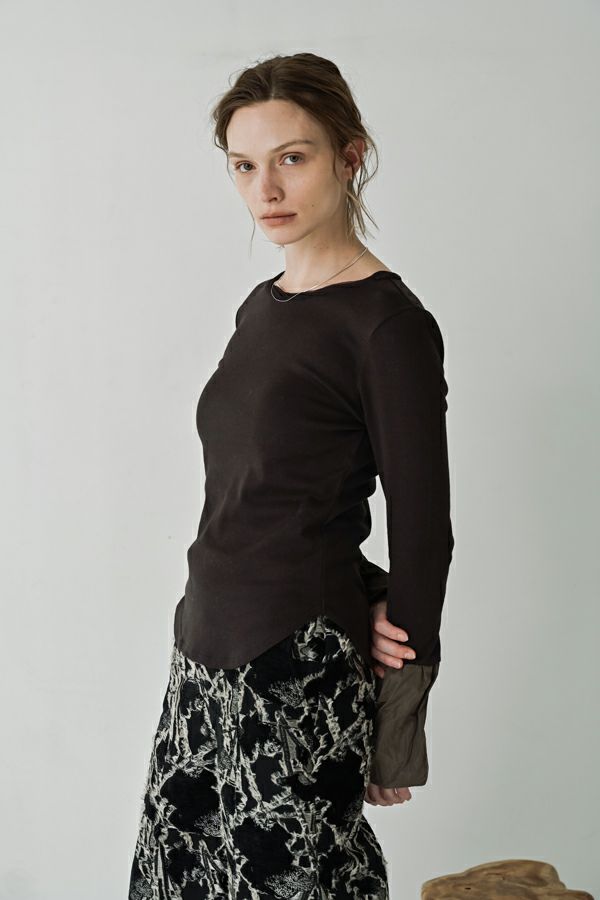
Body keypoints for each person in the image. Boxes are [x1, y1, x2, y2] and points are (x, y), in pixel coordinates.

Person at [128, 51, 454, 900]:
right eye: (244, 165)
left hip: (295, 670)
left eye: (292, 158)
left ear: (350, 156)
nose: (266, 188)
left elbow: (425, 529)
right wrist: (363, 586)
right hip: (203, 652)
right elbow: (270, 496)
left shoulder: (386, 326)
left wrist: (395, 728)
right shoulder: (260, 306)